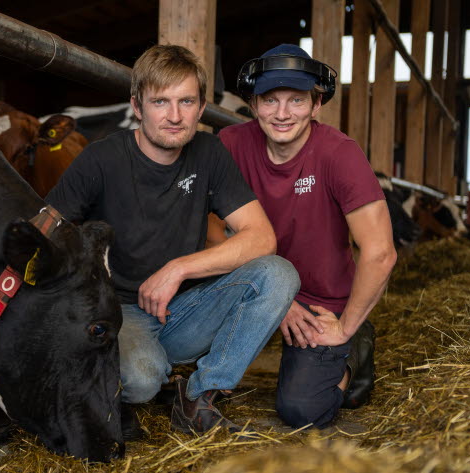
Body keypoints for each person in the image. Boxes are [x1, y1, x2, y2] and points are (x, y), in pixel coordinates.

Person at [46, 44, 300, 436]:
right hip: (118, 312)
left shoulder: (209, 153)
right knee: (142, 381)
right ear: (137, 106)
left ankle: (199, 396)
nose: (175, 116)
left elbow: (262, 237)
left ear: (201, 108)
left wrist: (178, 269)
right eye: (160, 102)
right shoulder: (101, 159)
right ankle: (153, 371)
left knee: (278, 274)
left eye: (186, 102)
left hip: (184, 311)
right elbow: (44, 231)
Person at [219, 44, 397, 429]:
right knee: (194, 382)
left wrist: (344, 327)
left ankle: (354, 348)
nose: (282, 113)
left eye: (296, 100)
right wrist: (273, 298)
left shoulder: (339, 154)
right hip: (247, 287)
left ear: (316, 105)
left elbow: (381, 252)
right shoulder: (230, 145)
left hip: (320, 301)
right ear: (253, 103)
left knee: (302, 409)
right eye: (270, 99)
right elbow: (204, 228)